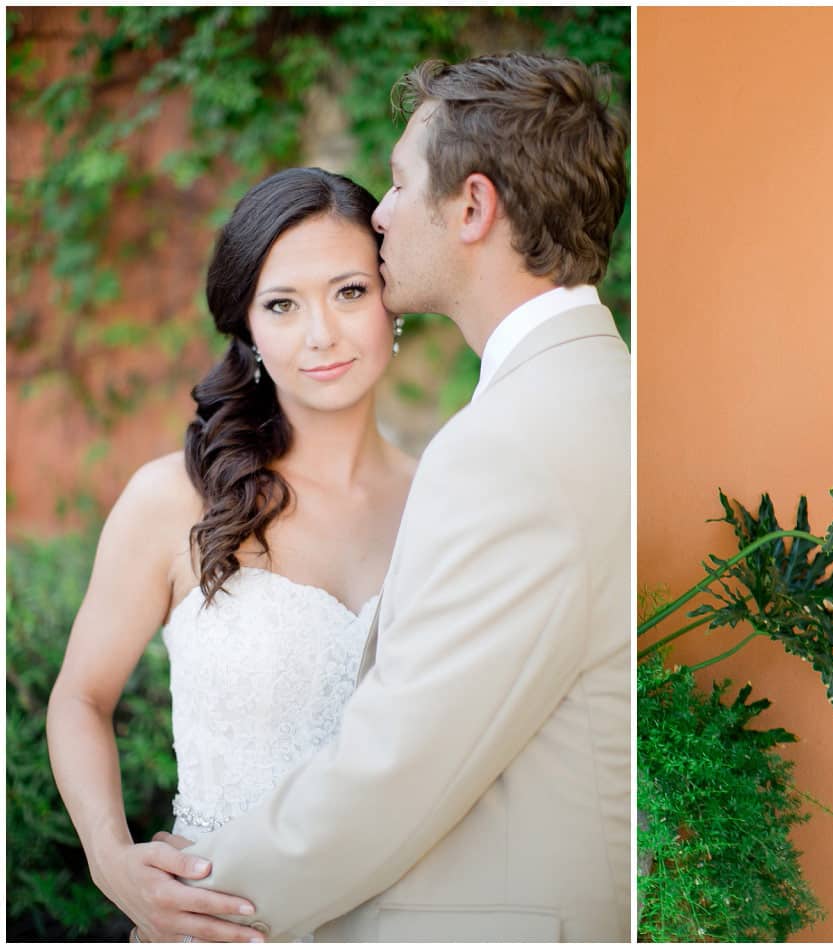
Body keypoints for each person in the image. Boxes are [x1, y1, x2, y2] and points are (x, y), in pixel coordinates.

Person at [104, 51, 632, 941]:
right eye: (281, 305)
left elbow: (399, 766)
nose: (379, 215)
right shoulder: (599, 398)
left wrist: (183, 908)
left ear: (472, 206)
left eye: (395, 183)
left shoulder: (499, 446)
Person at [47, 167, 413, 944]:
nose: (322, 333)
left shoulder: (444, 500)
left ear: (393, 299)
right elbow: (80, 697)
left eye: (349, 291)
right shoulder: (174, 499)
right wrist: (114, 863)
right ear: (247, 327)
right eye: (283, 304)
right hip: (213, 925)